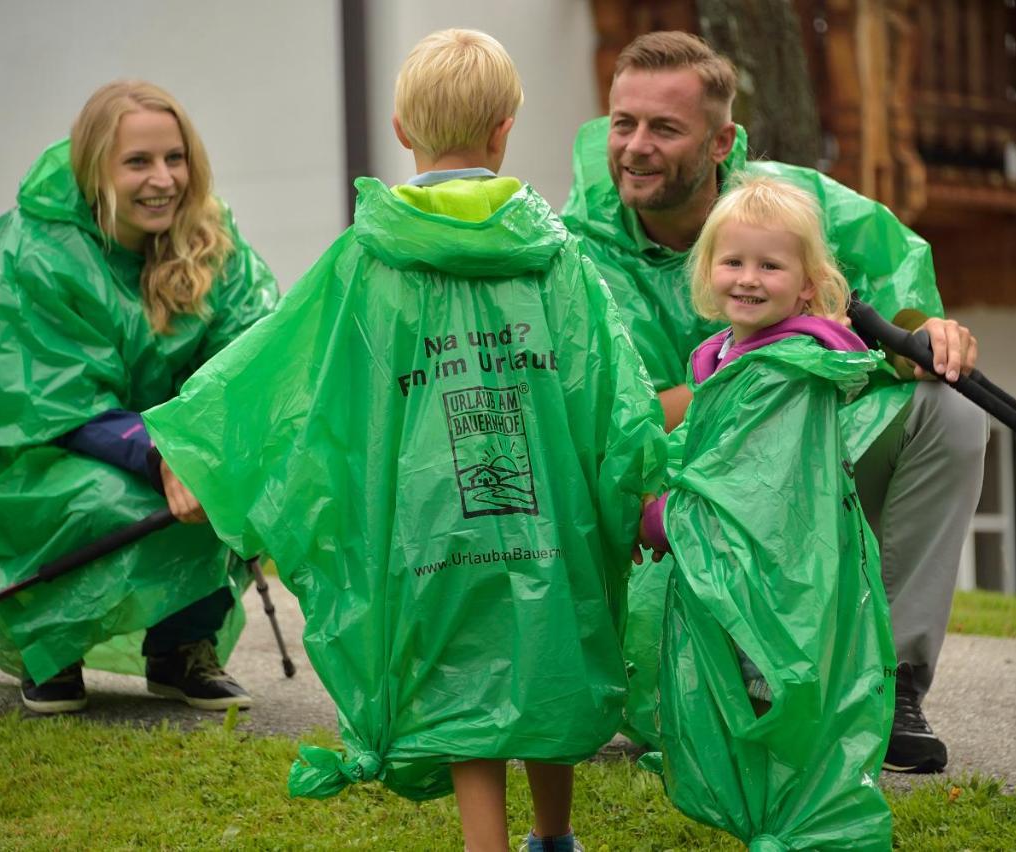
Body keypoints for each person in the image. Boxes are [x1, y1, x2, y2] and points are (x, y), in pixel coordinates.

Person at [142, 30, 662, 852]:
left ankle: (482, 842)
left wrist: (207, 449)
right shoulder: (555, 258)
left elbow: (290, 366)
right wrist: (629, 485)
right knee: (546, 655)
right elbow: (610, 388)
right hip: (546, 517)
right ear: (504, 129)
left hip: (427, 522)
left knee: (461, 672)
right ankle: (553, 836)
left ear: (399, 129)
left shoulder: (370, 258)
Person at [562, 31, 988, 774]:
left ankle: (893, 686)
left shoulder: (797, 203)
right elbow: (612, 423)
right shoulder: (576, 252)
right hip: (681, 504)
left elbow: (902, 300)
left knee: (950, 411)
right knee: (700, 713)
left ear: (722, 139)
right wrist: (762, 384)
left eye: (664, 128)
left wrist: (929, 336)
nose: (634, 146)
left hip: (811, 457)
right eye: (623, 123)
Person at [0, 81, 278, 714]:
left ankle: (181, 649)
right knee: (98, 499)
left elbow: (248, 358)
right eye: (138, 162)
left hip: (157, 437)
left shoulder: (210, 239)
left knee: (217, 486)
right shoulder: (43, 251)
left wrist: (204, 449)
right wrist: (164, 456)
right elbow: (59, 400)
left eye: (175, 157)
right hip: (28, 450)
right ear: (95, 170)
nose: (162, 179)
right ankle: (52, 648)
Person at [635, 175, 893, 848]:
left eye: (770, 266)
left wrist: (662, 516)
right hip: (734, 574)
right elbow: (705, 452)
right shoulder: (722, 356)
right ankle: (770, 817)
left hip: (778, 584)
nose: (747, 279)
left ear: (808, 284)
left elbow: (755, 484)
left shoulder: (789, 374)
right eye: (733, 261)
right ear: (707, 269)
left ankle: (789, 818)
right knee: (741, 695)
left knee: (775, 693)